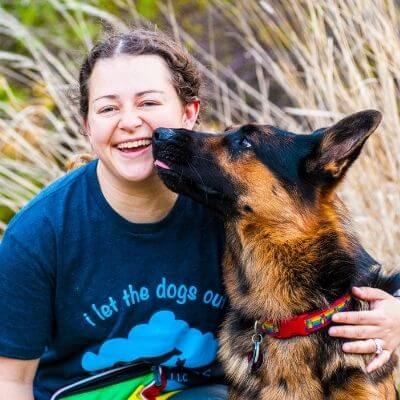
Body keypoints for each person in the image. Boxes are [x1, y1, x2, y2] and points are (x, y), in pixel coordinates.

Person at [0, 28, 399, 400]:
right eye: (108, 108)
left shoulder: (233, 204)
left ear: (189, 113)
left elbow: (359, 275)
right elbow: (10, 381)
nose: (129, 122)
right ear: (87, 124)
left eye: (149, 102)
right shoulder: (40, 233)